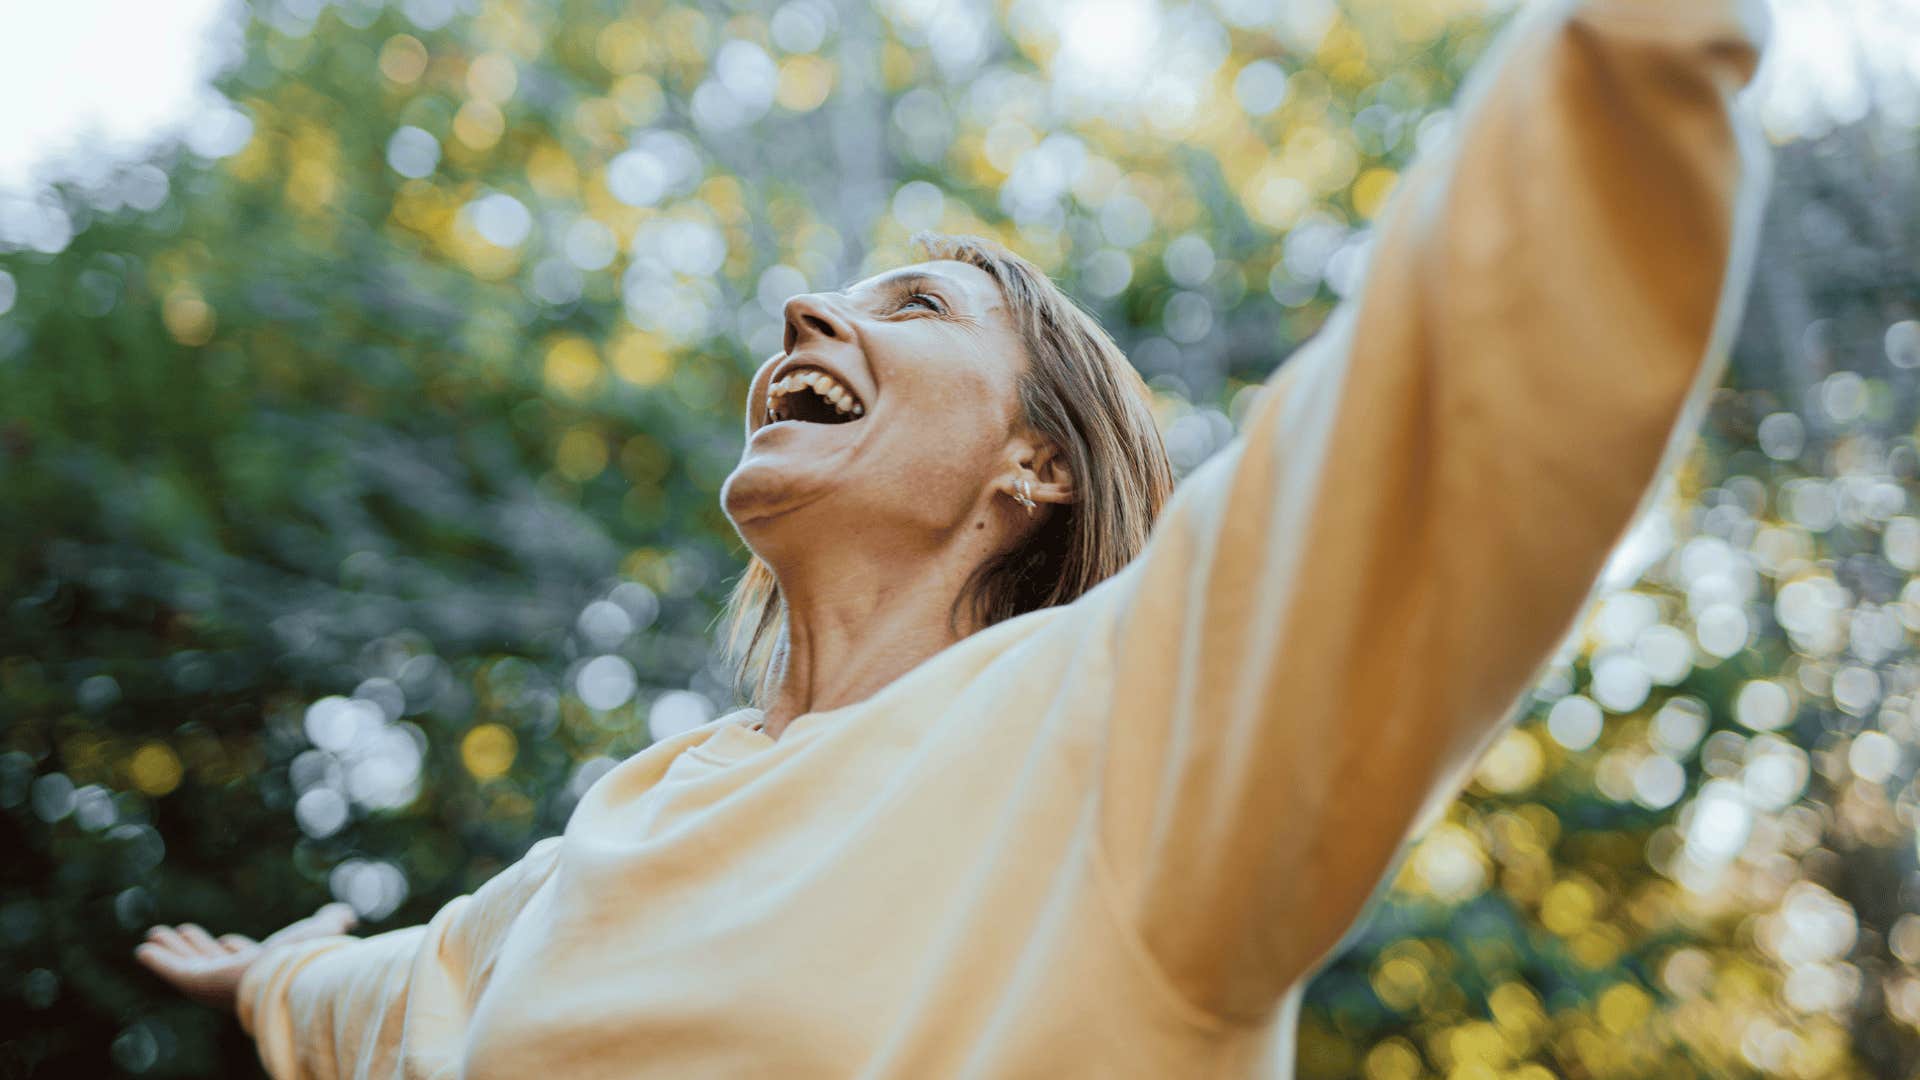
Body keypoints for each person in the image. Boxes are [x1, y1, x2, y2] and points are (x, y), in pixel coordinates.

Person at [135, 0, 1774, 1074]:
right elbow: (402, 993)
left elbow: (1436, 430)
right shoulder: (615, 834)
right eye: (836, 292)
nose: (804, 305)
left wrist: (1630, 53)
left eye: (910, 304)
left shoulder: (1124, 731)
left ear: (1034, 469)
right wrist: (266, 978)